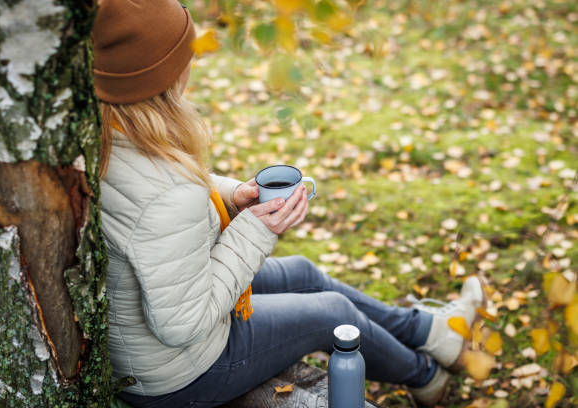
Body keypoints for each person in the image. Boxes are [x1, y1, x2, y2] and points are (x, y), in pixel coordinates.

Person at [93, 0, 486, 406]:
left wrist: (231, 195)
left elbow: (157, 194)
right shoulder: (168, 192)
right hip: (183, 374)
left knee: (301, 272)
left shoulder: (111, 133)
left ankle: (433, 333)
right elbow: (181, 324)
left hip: (153, 345)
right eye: (186, 57)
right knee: (331, 312)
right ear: (165, 75)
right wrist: (257, 230)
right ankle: (423, 375)